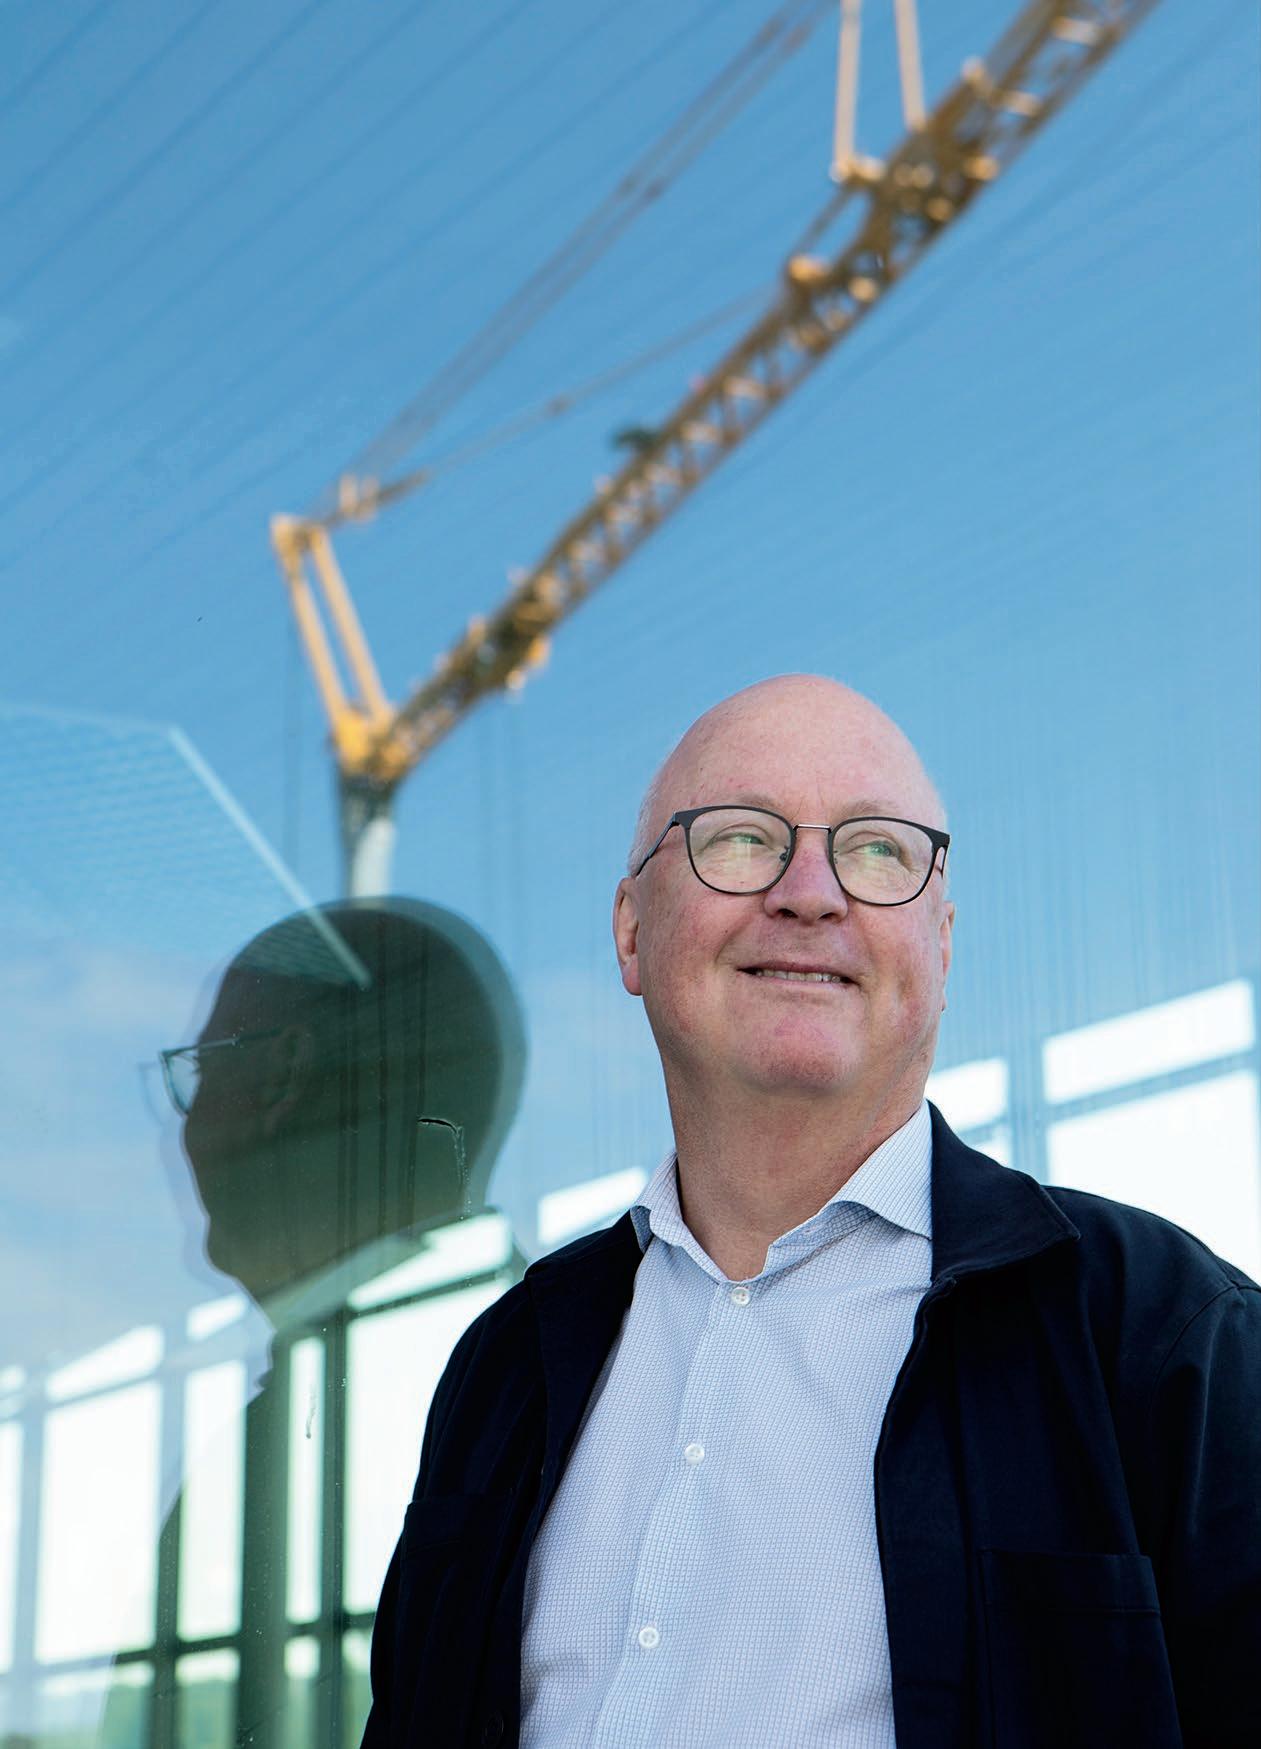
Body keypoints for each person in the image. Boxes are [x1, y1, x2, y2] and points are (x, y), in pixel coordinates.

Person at [361, 674, 1261, 1749]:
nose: (810, 892)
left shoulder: (1166, 1334)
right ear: (632, 931)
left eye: (876, 850)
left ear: (940, 945)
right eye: (742, 838)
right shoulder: (505, 1364)